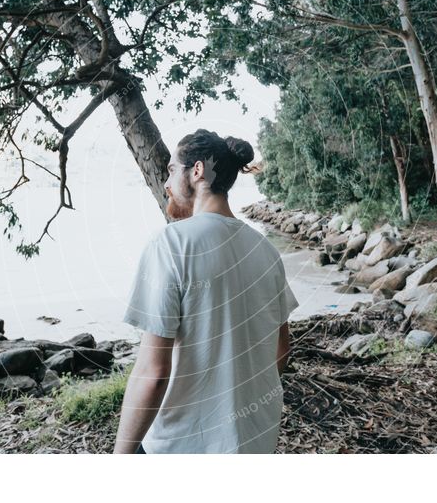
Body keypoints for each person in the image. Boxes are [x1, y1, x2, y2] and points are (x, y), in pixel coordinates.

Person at [113, 129, 299, 454]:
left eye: (171, 170)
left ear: (197, 171)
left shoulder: (171, 244)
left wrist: (120, 456)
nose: (166, 183)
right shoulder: (266, 251)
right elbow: (281, 348)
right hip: (256, 441)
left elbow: (153, 372)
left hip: (181, 447)